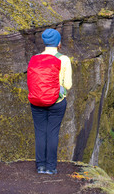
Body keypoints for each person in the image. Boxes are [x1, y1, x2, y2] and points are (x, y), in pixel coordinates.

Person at [29, 29, 72, 174]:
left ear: (44, 42)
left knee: (40, 133)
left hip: (37, 100)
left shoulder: (35, 58)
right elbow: (68, 84)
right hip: (57, 102)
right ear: (58, 42)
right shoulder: (64, 59)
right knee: (52, 133)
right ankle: (51, 168)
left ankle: (40, 166)